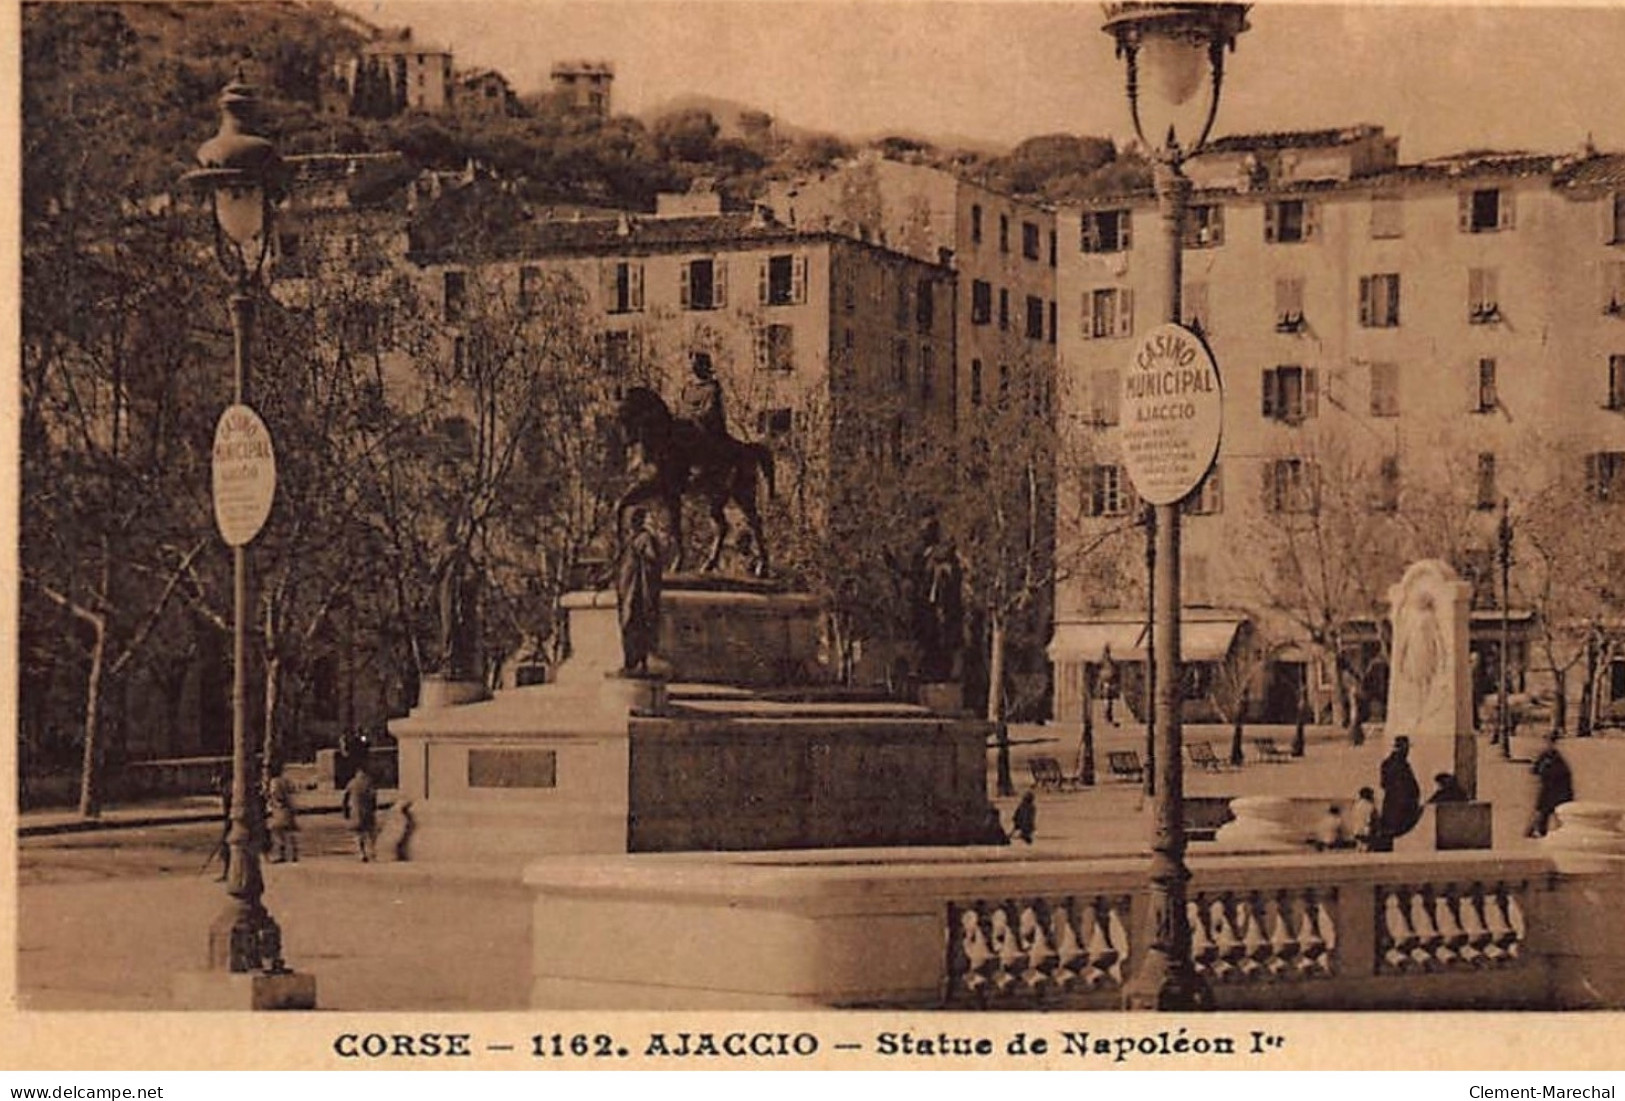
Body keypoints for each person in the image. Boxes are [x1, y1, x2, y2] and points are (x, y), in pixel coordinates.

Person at [616, 507, 664, 674]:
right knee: (626, 624)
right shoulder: (630, 539)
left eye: (634, 518)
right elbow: (619, 562)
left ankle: (640, 662)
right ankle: (630, 662)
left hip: (636, 589)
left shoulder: (645, 538)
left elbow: (653, 558)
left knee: (636, 623)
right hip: (625, 587)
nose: (630, 522)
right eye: (630, 519)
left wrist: (644, 555)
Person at [1377, 734, 1422, 849]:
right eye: (1406, 748)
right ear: (1403, 748)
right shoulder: (1402, 764)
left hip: (1390, 803)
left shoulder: (1386, 763)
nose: (1408, 752)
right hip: (1402, 805)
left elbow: (1383, 784)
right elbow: (1409, 786)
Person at [1528, 733, 1575, 838]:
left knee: (1549, 811)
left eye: (1551, 742)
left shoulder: (1556, 757)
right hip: (1548, 788)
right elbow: (1535, 769)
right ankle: (1535, 830)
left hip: (1555, 788)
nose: (1549, 744)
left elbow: (1564, 775)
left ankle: (1536, 830)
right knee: (1543, 811)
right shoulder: (1547, 756)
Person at [677, 351, 726, 442]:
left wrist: (691, 420)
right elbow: (681, 409)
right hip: (687, 432)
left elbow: (708, 413)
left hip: (708, 436)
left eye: (697, 366)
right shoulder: (687, 388)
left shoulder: (712, 389)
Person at [342, 764, 379, 863]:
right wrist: (374, 808)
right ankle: (372, 852)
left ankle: (362, 853)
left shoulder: (351, 783)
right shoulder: (369, 782)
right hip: (368, 812)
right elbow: (373, 796)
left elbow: (345, 799)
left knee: (358, 835)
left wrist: (345, 812)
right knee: (371, 834)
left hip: (355, 812)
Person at [264, 772, 299, 864]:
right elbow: (292, 790)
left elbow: (276, 795)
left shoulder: (274, 782)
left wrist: (271, 800)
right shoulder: (285, 780)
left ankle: (282, 854)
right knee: (287, 831)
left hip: (279, 809)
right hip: (286, 809)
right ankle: (293, 854)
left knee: (278, 831)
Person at [1349, 786, 1379, 852]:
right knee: (1366, 849)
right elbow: (1371, 820)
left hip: (1356, 830)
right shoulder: (1370, 806)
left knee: (1359, 847)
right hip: (1366, 831)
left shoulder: (1356, 805)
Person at [1099, 646, 1119, 726]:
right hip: (1107, 683)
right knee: (1107, 702)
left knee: (1108, 702)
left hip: (1107, 683)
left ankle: (1108, 717)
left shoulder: (1106, 662)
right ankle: (1108, 717)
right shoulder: (1107, 662)